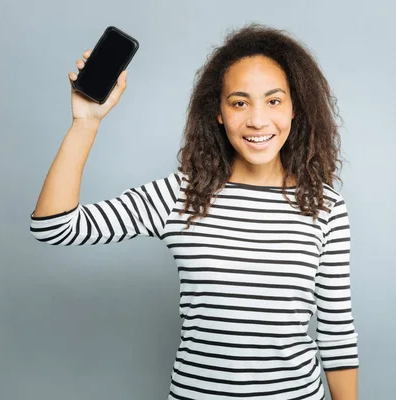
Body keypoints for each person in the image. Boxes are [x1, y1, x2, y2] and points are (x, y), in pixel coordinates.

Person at [30, 23, 359, 400]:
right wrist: (85, 123)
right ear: (218, 112)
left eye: (273, 101)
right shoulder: (181, 194)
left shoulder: (324, 205)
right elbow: (54, 227)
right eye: (239, 102)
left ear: (295, 107)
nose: (257, 120)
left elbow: (337, 334)